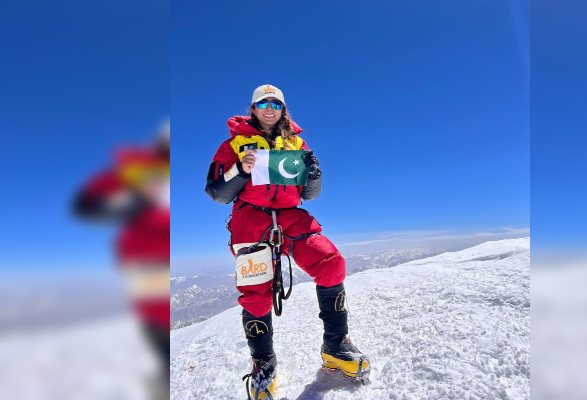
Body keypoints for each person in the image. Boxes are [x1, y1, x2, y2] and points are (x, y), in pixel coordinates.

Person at [205, 84, 370, 398]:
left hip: (291, 215)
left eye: (275, 103)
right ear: (253, 108)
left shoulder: (296, 143)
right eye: (263, 103)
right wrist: (240, 170)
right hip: (251, 219)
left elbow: (310, 194)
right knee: (256, 293)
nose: (269, 108)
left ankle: (335, 346)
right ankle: (263, 364)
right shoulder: (234, 144)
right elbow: (217, 192)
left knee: (330, 263)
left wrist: (314, 175)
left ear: (282, 109)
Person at [74, 121, 170, 399]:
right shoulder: (135, 168)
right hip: (146, 256)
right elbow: (85, 204)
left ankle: (163, 377)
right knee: (155, 318)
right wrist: (127, 204)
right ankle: (164, 377)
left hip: (154, 252)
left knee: (157, 319)